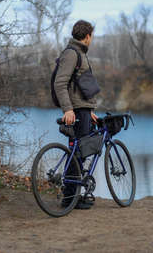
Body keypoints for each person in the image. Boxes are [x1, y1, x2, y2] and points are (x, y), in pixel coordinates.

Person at [54, 20, 99, 209]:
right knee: (77, 154)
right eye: (92, 36)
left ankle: (73, 196)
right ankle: (69, 199)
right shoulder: (72, 54)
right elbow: (60, 83)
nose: (92, 39)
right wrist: (68, 109)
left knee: (79, 154)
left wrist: (90, 110)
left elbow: (81, 87)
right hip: (76, 111)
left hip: (83, 110)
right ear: (87, 36)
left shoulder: (80, 54)